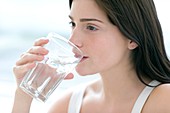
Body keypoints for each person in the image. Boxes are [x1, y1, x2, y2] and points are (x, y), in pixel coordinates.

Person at [12, 0, 170, 113]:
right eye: (73, 24)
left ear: (132, 38)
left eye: (91, 27)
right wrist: (23, 96)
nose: (73, 41)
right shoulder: (67, 105)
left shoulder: (164, 100)